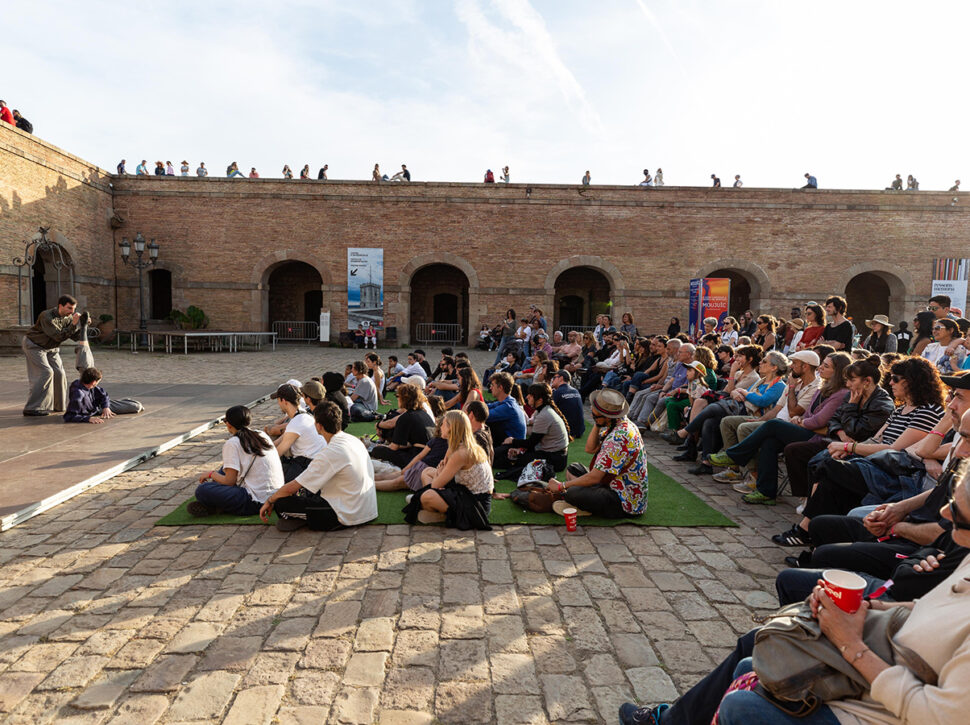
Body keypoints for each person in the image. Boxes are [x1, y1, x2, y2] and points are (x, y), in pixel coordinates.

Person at [619, 451, 970, 725]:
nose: (945, 511)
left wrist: (851, 645)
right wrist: (872, 609)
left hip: (879, 696)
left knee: (743, 698)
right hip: (885, 651)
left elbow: (935, 715)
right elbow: (922, 596)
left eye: (956, 509)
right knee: (754, 656)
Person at [773, 356, 945, 547]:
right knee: (828, 473)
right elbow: (875, 438)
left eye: (895, 378)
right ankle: (812, 536)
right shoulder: (901, 408)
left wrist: (849, 447)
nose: (890, 382)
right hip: (876, 461)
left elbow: (894, 449)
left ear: (913, 380)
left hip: (895, 471)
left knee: (827, 466)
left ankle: (807, 529)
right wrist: (848, 449)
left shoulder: (928, 411)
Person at [711, 351, 850, 504]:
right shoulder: (822, 388)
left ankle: (733, 456)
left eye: (826, 366)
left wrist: (800, 420)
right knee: (769, 442)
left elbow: (819, 421)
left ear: (837, 372)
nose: (821, 368)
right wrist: (801, 419)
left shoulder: (839, 393)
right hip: (801, 427)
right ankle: (766, 492)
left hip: (817, 436)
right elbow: (807, 413)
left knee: (773, 425)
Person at [261, 401, 377, 532]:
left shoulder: (330, 452)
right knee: (305, 489)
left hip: (347, 514)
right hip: (367, 508)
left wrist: (270, 500)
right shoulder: (353, 440)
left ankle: (301, 518)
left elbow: (291, 488)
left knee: (281, 502)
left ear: (319, 426)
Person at [545, 388, 647, 519]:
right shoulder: (621, 423)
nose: (593, 415)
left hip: (624, 502)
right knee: (573, 469)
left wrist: (561, 486)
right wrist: (598, 423)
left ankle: (583, 506)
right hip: (614, 483)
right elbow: (590, 448)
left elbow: (595, 478)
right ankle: (581, 502)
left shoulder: (617, 438)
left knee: (571, 493)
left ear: (608, 417)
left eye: (595, 415)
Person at [403, 410, 494, 528]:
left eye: (443, 424)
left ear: (451, 428)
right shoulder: (455, 445)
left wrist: (439, 474)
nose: (440, 426)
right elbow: (442, 468)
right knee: (426, 471)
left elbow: (435, 485)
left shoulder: (462, 453)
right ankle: (437, 509)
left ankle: (445, 515)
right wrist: (440, 473)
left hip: (476, 503)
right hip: (464, 490)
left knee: (427, 495)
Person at [190, 405, 283, 517]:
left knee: (202, 490)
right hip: (275, 496)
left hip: (254, 501)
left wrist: (211, 474)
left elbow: (230, 481)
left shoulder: (233, 443)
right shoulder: (261, 434)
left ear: (228, 424)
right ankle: (218, 503)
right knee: (225, 468)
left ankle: (216, 505)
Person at [22, 295, 86, 416]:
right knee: (46, 372)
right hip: (34, 346)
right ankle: (33, 407)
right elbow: (58, 336)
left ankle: (58, 406)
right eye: (69, 308)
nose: (72, 312)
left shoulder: (67, 318)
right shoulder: (46, 316)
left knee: (59, 373)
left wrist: (83, 325)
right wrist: (73, 324)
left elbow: (73, 336)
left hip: (51, 347)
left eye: (73, 309)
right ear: (60, 306)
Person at [495, 383, 569, 478]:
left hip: (554, 459)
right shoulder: (542, 410)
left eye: (531, 395)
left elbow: (531, 442)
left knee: (511, 458)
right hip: (553, 454)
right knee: (511, 452)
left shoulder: (544, 415)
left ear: (540, 400)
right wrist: (519, 448)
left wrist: (513, 441)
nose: (527, 397)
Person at [272, 383, 327, 481]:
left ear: (283, 401)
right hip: (317, 461)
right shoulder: (304, 414)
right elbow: (277, 442)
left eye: (278, 400)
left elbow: (278, 452)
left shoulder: (297, 422)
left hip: (308, 465)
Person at [371, 383, 434, 467]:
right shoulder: (423, 413)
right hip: (430, 454)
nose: (397, 399)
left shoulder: (406, 417)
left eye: (398, 396)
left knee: (377, 450)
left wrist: (383, 446)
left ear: (404, 399)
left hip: (418, 456)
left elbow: (394, 447)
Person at [64, 366, 143, 423]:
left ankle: (125, 402)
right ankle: (126, 402)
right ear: (93, 382)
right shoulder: (78, 395)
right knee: (136, 406)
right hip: (94, 411)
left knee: (135, 404)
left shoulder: (89, 386)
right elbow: (69, 416)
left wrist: (106, 407)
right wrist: (88, 419)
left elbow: (103, 394)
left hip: (100, 406)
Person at [485, 372, 527, 442]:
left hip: (513, 447)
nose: (490, 387)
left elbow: (484, 415)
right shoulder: (507, 401)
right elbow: (486, 406)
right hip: (506, 440)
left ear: (500, 387)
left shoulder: (508, 406)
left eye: (492, 385)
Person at [550, 369, 585, 440]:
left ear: (561, 378)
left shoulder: (557, 393)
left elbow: (548, 411)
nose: (552, 380)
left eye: (554, 378)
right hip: (579, 430)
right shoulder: (575, 391)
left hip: (566, 431)